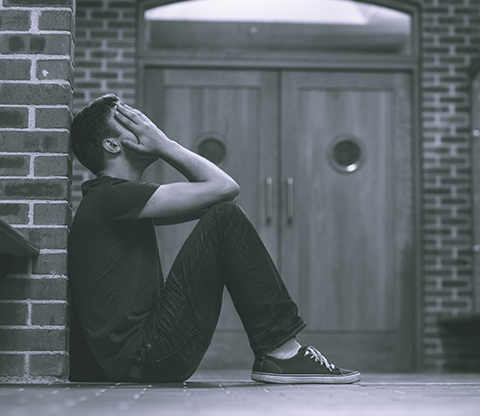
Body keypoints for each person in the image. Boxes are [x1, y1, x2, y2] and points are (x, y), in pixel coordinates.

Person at [68, 93, 361, 384]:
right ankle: (281, 351)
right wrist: (165, 145)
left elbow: (214, 200)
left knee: (223, 216)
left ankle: (279, 352)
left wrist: (163, 144)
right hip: (146, 358)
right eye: (132, 120)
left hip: (146, 355)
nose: (147, 126)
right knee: (225, 217)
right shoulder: (111, 197)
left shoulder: (116, 200)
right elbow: (225, 188)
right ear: (112, 144)